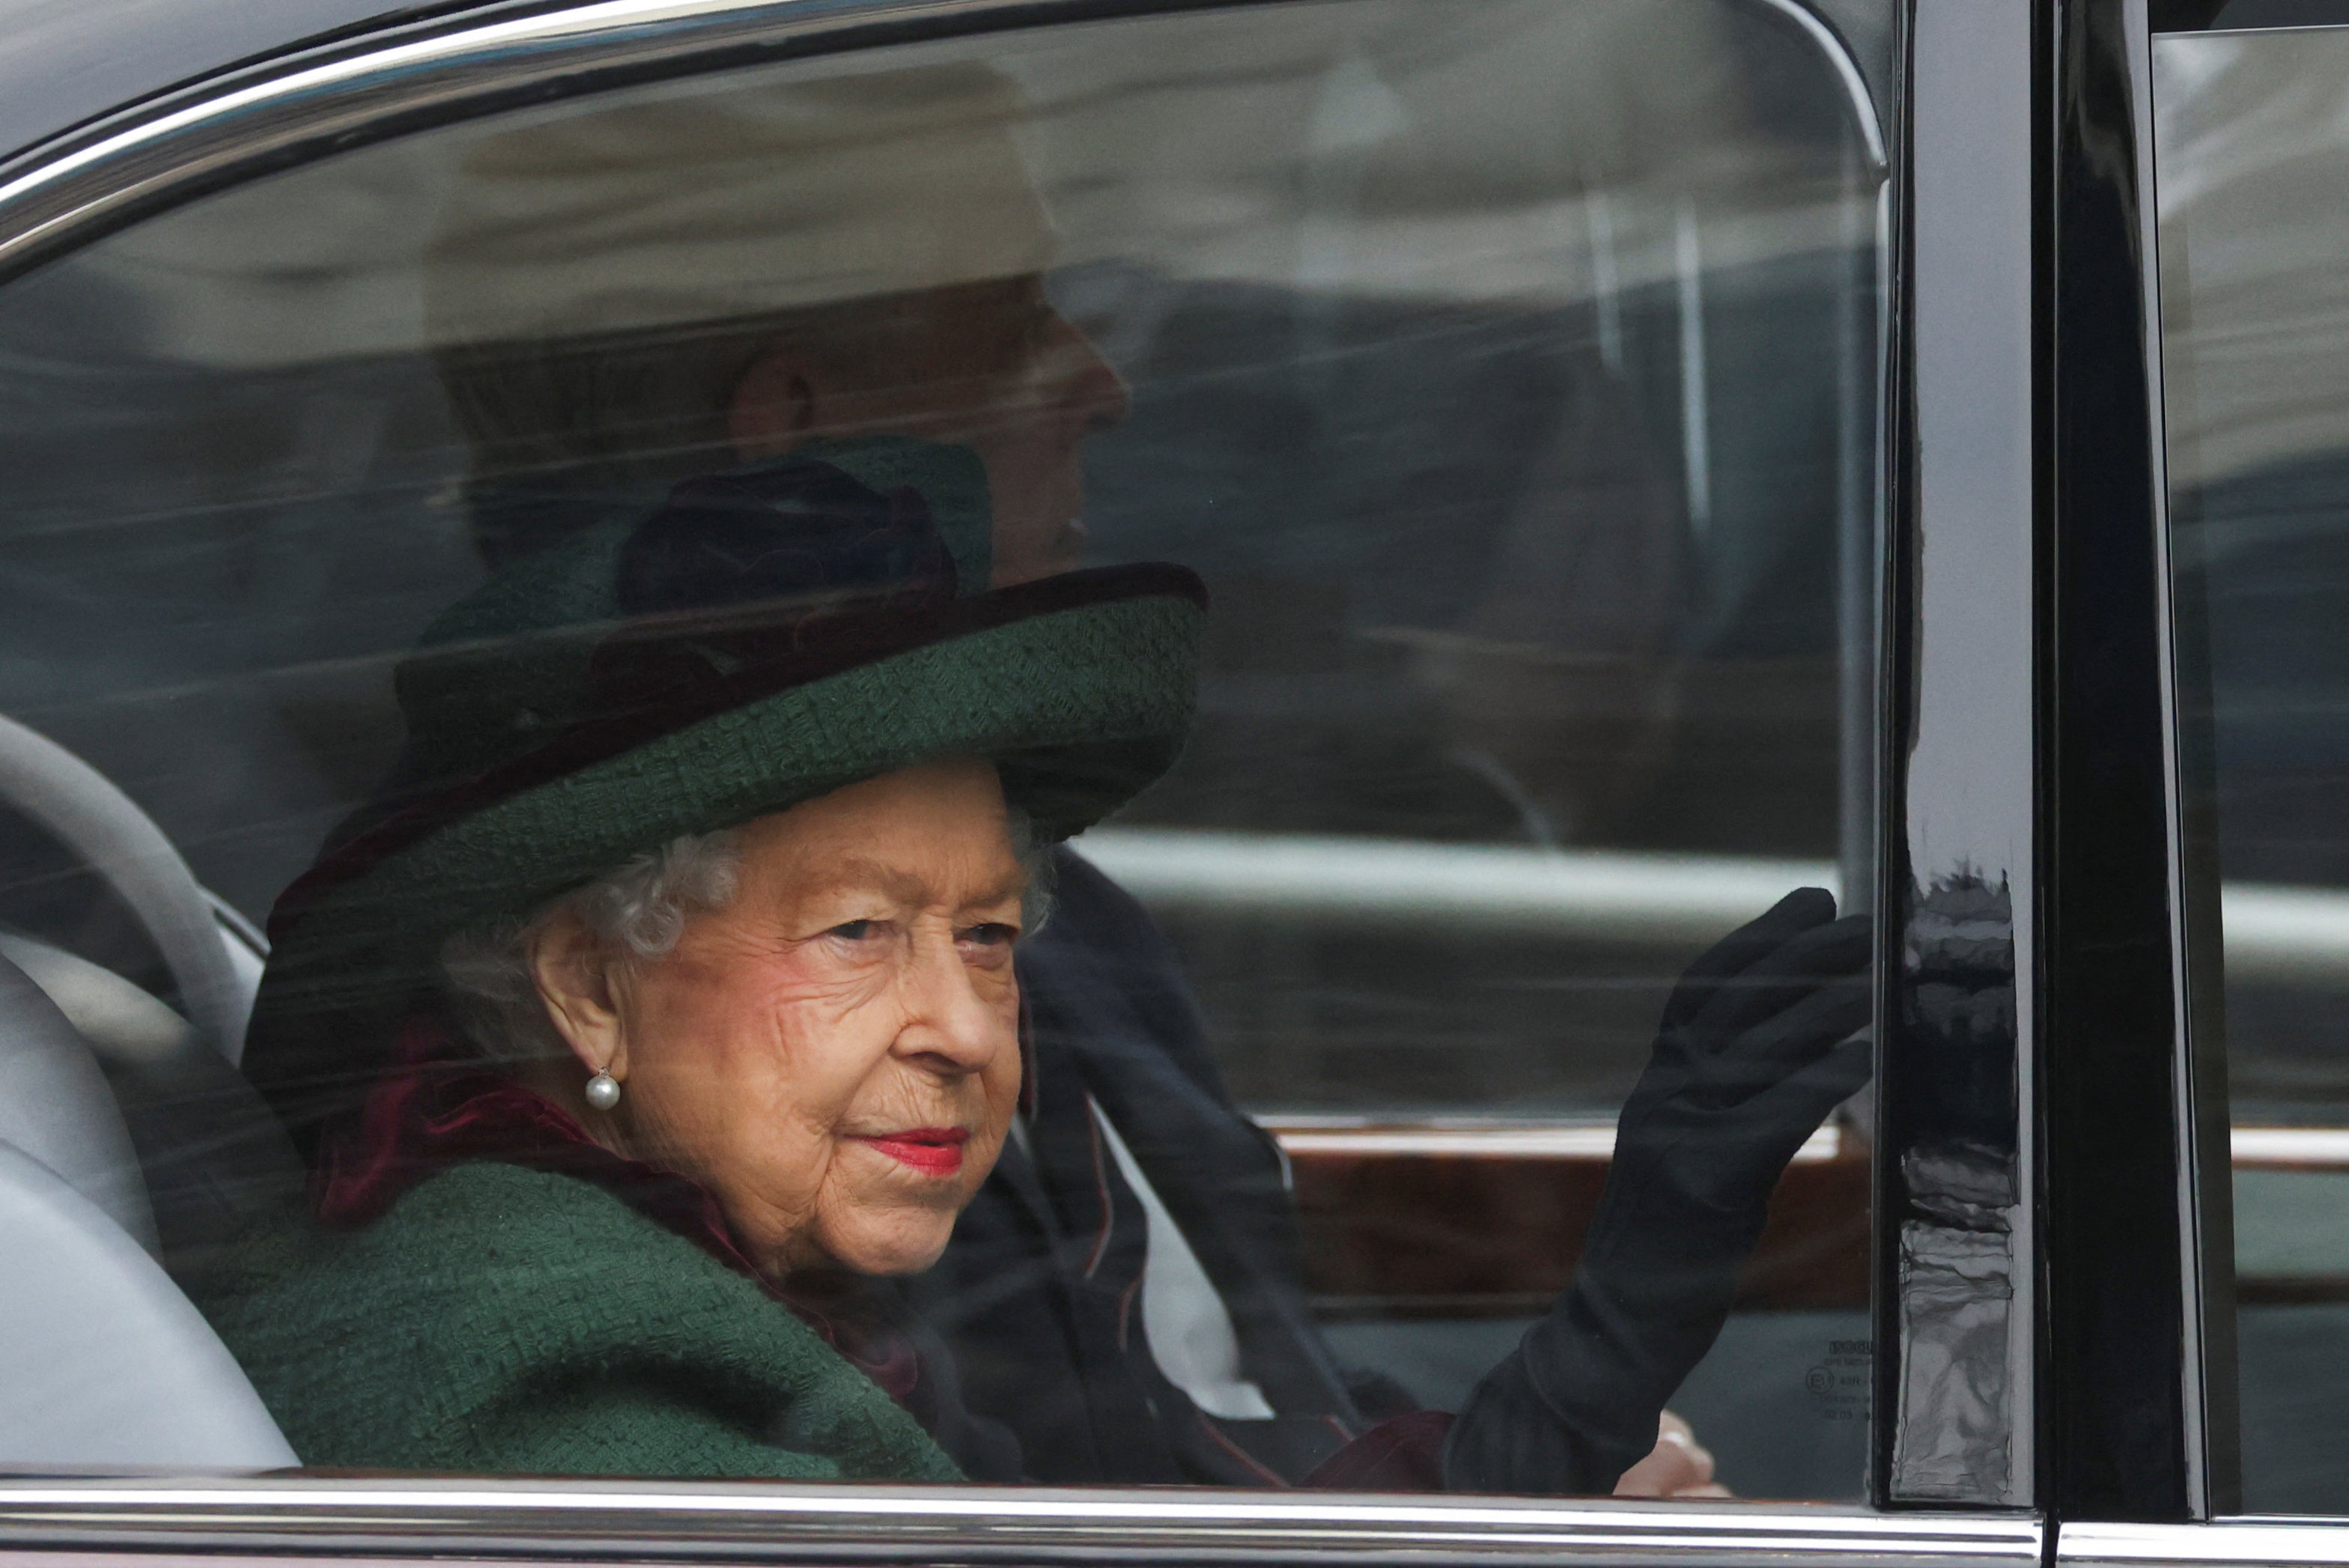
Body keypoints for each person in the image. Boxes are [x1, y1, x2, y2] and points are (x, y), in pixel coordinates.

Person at [407, 64, 1865, 1495]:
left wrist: (1570, 1451)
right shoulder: (723, 1125)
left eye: (982, 932)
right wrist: (1600, 1357)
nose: (1102, 386)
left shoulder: (1069, 924)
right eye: (1014, 320)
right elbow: (1086, 1514)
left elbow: (1250, 1429)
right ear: (793, 425)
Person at [194, 440, 1205, 1477]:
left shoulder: (712, 1291)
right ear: (590, 984)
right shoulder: (559, 1375)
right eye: (856, 931)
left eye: (984, 935)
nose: (965, 1030)